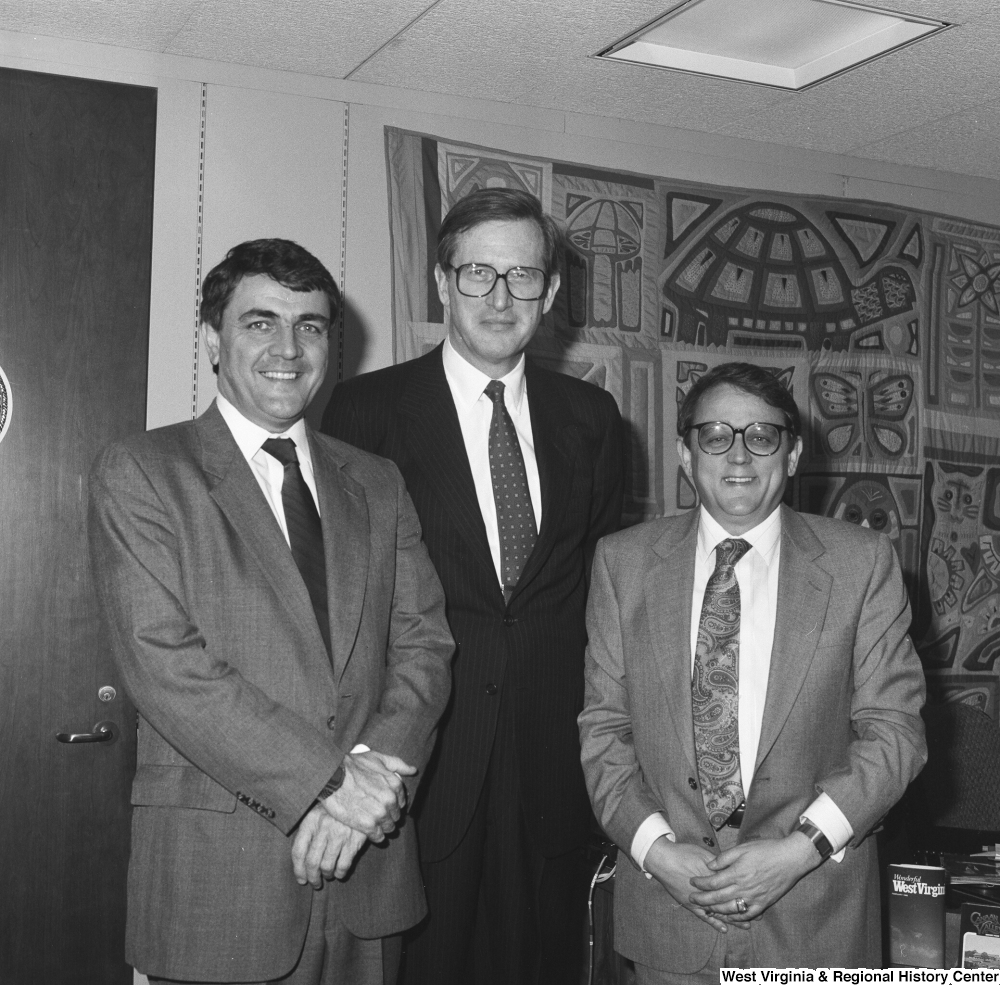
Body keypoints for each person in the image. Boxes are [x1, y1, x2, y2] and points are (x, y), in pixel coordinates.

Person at [88, 239, 454, 985]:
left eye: (312, 326)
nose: (289, 347)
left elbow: (425, 648)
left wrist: (358, 802)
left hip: (366, 874)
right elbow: (167, 669)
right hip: (216, 886)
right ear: (214, 338)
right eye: (261, 322)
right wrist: (330, 783)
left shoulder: (378, 483)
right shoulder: (144, 471)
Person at [322, 187, 625, 985]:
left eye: (523, 276)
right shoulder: (362, 411)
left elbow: (596, 591)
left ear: (551, 292)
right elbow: (342, 606)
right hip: (425, 765)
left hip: (553, 767)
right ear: (441, 281)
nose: (500, 297)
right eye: (479, 273)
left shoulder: (593, 419)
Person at [578, 361, 927, 978]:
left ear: (792, 455)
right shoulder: (621, 564)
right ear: (686, 455)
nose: (739, 454)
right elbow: (604, 732)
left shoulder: (862, 566)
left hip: (815, 916)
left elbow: (896, 735)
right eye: (715, 435)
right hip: (669, 917)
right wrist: (657, 852)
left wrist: (798, 852)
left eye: (762, 436)